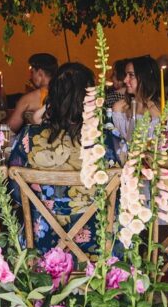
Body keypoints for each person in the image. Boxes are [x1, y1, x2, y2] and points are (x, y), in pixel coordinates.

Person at [8, 63, 119, 253]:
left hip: (41, 244)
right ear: (90, 98)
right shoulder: (107, 142)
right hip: (98, 244)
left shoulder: (29, 137)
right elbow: (119, 196)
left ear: (52, 96)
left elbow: (15, 193)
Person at [112, 55, 168, 143]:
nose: (125, 80)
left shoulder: (164, 111)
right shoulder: (120, 108)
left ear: (145, 77)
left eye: (131, 75)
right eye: (126, 75)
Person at [4, 53, 58, 132]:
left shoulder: (29, 98)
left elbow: (10, 128)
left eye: (32, 72)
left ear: (40, 73)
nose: (30, 76)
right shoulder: (67, 93)